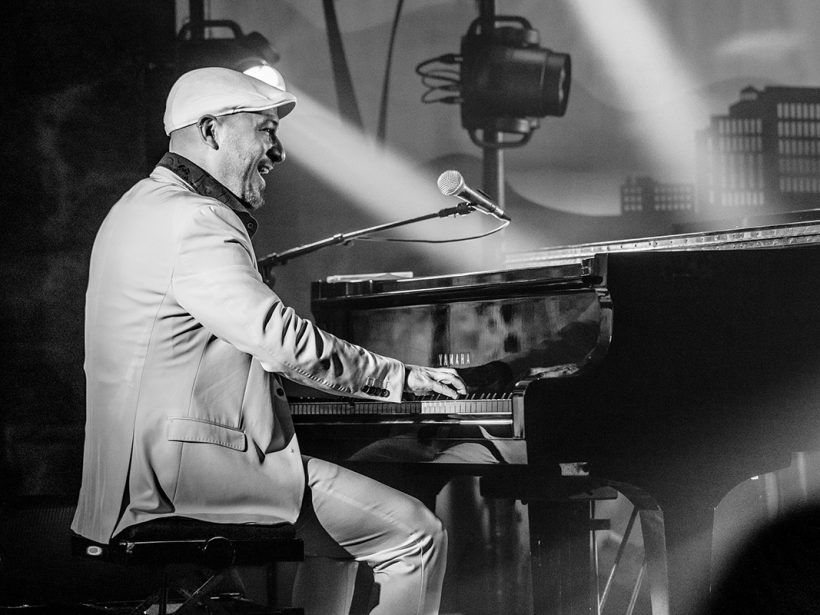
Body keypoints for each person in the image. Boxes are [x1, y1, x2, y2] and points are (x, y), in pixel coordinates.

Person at [70, 66, 466, 615]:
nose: (277, 152)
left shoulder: (136, 207)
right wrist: (401, 377)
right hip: (185, 477)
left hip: (132, 475)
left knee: (341, 542)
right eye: (265, 131)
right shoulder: (197, 219)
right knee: (416, 536)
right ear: (211, 131)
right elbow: (282, 342)